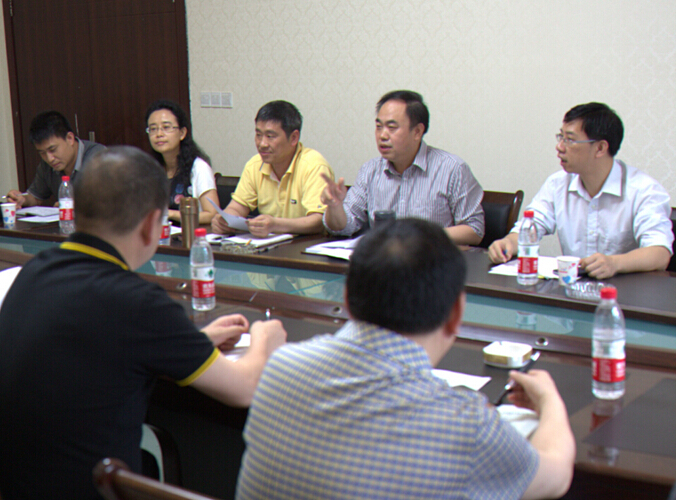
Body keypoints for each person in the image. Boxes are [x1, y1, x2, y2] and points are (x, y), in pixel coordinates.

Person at [0, 146, 286, 500]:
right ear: (153, 224)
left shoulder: (35, 272)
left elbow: (98, 342)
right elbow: (244, 388)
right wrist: (265, 335)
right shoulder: (136, 301)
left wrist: (193, 340)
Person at [236, 218, 575, 500]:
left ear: (347, 298)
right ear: (456, 314)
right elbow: (556, 475)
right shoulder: (465, 424)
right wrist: (549, 399)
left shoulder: (280, 368)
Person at [488, 102, 673, 279]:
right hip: (571, 289)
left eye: (570, 140)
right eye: (560, 137)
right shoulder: (557, 184)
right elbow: (532, 224)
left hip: (624, 293)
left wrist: (614, 263)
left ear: (600, 148)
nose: (559, 147)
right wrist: (508, 243)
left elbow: (660, 253)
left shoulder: (644, 191)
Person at [321, 90, 485, 245]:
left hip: (431, 260)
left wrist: (420, 236)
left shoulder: (452, 169)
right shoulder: (370, 171)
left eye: (392, 127)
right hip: (383, 261)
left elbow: (474, 230)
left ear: (417, 132)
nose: (382, 135)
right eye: (379, 126)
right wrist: (335, 206)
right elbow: (343, 227)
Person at [211, 100, 334, 237]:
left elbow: (318, 221)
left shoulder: (314, 166)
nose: (262, 144)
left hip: (306, 245)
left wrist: (275, 224)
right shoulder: (255, 165)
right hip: (269, 245)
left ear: (294, 138)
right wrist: (224, 220)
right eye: (258, 135)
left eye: (270, 136)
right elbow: (237, 208)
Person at [5, 110, 104, 208]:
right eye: (42, 153)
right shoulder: (47, 165)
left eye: (53, 149)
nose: (49, 159)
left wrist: (78, 206)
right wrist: (22, 199)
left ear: (70, 138)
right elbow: (36, 197)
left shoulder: (99, 157)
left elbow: (108, 202)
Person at [145, 99, 220, 224]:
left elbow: (213, 215)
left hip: (190, 234)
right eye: (153, 129)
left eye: (166, 127)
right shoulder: (151, 169)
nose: (159, 134)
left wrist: (170, 214)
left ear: (182, 133)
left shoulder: (199, 168)